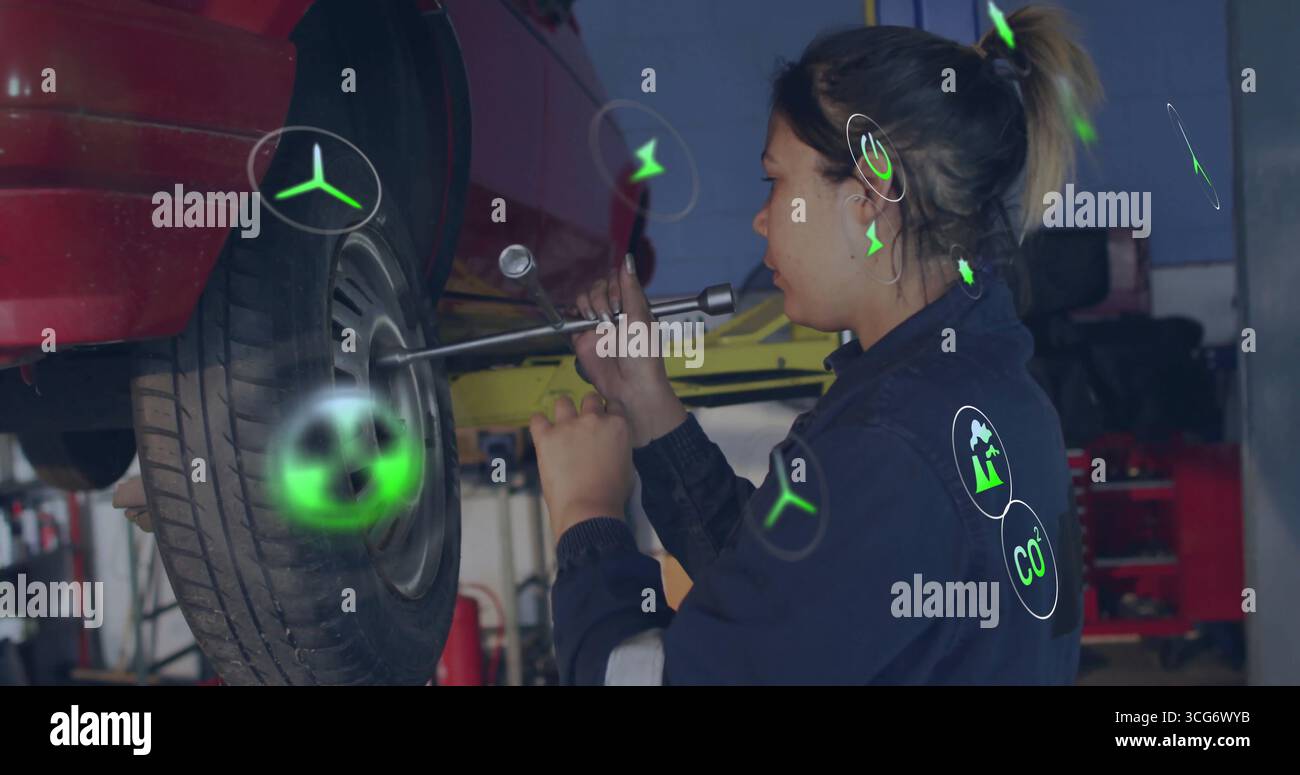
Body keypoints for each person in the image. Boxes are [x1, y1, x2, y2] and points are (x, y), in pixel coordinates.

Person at [530, 5, 1099, 684]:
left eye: (777, 179)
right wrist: (648, 409)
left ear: (870, 195)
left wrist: (587, 516)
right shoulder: (984, 390)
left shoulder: (892, 441)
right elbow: (791, 592)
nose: (762, 216)